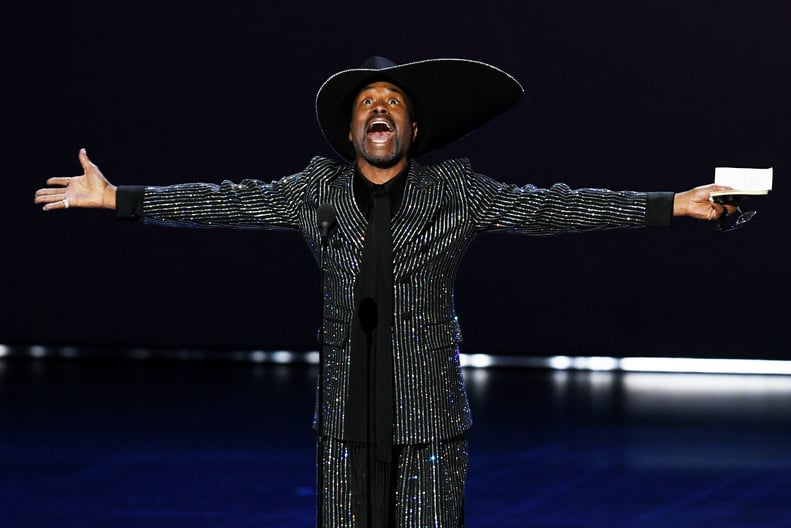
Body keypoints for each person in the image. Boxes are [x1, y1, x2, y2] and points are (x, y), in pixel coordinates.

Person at [35, 55, 733, 527]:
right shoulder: (315, 191)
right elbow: (226, 201)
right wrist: (120, 197)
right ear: (350, 131)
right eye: (367, 102)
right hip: (344, 424)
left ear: (411, 128)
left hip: (428, 423)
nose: (378, 109)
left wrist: (670, 204)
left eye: (392, 102)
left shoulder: (453, 190)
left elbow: (550, 209)